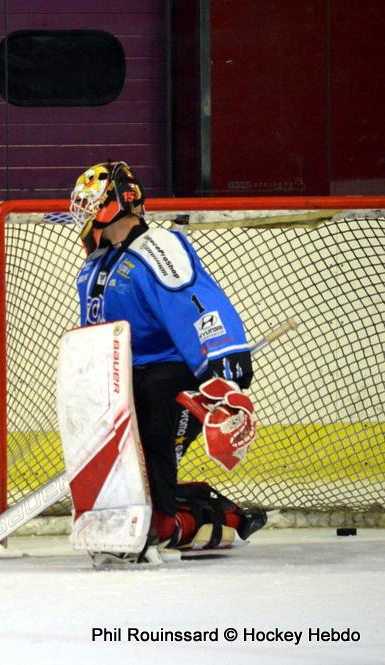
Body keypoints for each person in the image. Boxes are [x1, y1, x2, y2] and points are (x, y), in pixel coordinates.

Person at [68, 161, 267, 562]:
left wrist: (223, 369)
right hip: (123, 380)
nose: (84, 216)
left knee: (156, 440)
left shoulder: (157, 247)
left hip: (169, 376)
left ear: (114, 203)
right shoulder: (98, 261)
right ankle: (185, 515)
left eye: (90, 204)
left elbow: (196, 301)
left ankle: (177, 521)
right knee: (123, 468)